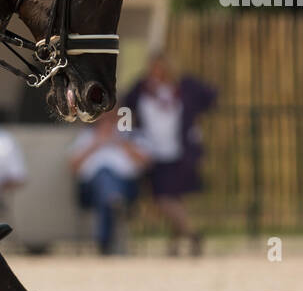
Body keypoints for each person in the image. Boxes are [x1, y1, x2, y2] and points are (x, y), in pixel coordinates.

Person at [123, 52, 217, 256]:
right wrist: (131, 138)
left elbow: (211, 97)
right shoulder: (141, 89)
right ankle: (191, 235)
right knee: (162, 198)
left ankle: (177, 244)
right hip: (153, 153)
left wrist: (194, 122)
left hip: (181, 152)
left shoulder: (184, 86)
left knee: (174, 198)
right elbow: (124, 109)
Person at [68, 109, 152, 255]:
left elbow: (146, 162)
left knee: (108, 184)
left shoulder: (129, 135)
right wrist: (97, 143)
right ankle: (113, 199)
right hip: (91, 189)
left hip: (126, 186)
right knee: (104, 176)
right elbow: (73, 166)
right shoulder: (87, 136)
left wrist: (120, 142)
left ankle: (104, 242)